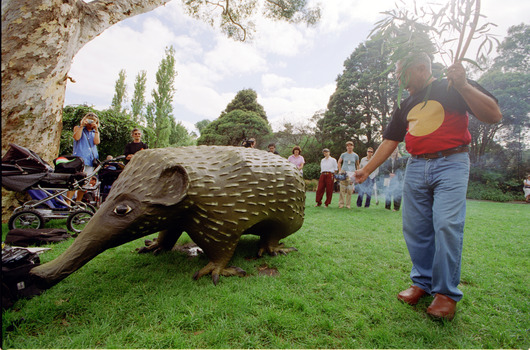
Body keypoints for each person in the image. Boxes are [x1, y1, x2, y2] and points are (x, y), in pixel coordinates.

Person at [354, 53, 502, 320]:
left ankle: (445, 293)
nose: (399, 80)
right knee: (416, 227)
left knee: (446, 223)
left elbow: (493, 115)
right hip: (416, 165)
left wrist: (464, 85)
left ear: (421, 68)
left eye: (402, 73)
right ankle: (422, 282)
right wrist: (367, 168)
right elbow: (390, 140)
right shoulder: (406, 102)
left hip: (452, 162)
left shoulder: (452, 85)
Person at [67, 112, 100, 203]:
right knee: (75, 182)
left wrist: (96, 129)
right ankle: (68, 202)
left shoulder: (95, 132)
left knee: (84, 182)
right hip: (79, 159)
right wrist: (82, 126)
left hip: (90, 160)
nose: (90, 122)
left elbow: (96, 142)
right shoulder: (78, 128)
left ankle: (78, 201)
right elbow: (77, 138)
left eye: (93, 121)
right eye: (89, 120)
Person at [337, 141, 360, 209]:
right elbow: (339, 162)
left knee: (350, 189)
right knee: (342, 188)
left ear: (353, 147)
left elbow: (357, 165)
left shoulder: (356, 155)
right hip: (344, 172)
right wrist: (340, 170)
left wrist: (357, 173)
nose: (349, 147)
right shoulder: (343, 155)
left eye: (350, 146)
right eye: (348, 146)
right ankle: (341, 204)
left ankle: (348, 205)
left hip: (352, 173)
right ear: (346, 147)